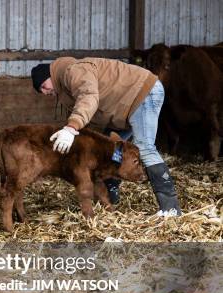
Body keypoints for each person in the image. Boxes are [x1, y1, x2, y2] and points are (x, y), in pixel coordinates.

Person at [30, 58, 181, 216]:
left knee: (145, 147)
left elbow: (89, 97)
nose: (45, 92)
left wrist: (71, 127)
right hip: (125, 107)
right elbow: (86, 117)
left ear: (50, 75)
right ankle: (109, 197)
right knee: (109, 150)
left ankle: (170, 208)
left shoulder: (74, 71)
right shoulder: (65, 89)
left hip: (143, 93)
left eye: (43, 86)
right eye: (42, 91)